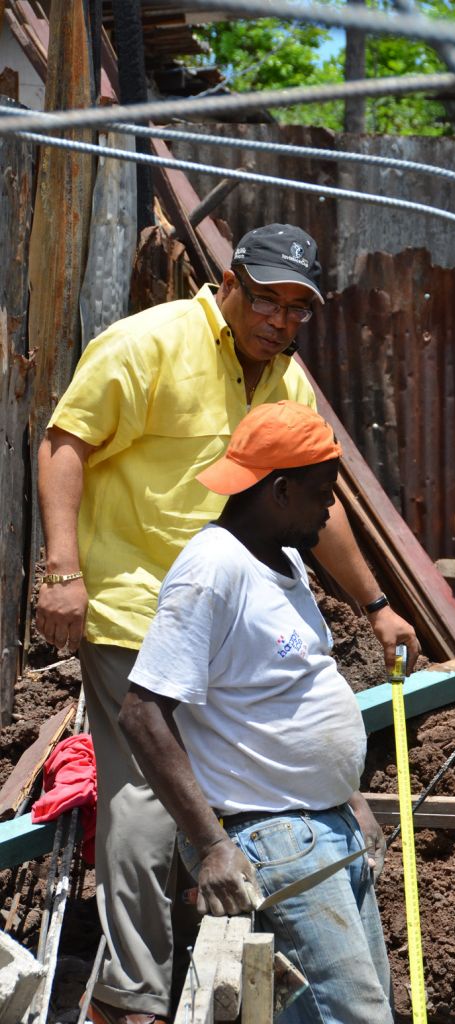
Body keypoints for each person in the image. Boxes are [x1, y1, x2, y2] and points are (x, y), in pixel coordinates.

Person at [35, 223, 418, 1024]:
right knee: (144, 795)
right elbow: (64, 442)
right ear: (231, 280)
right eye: (269, 300)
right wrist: (63, 572)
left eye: (297, 309)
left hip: (237, 617)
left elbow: (321, 499)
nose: (280, 321)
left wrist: (377, 605)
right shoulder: (149, 344)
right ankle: (133, 996)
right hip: (142, 602)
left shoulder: (286, 380)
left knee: (221, 791)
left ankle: (212, 942)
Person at [119, 400, 394, 1024]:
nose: (331, 509)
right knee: (355, 1016)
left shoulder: (284, 558)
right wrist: (211, 845)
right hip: (273, 836)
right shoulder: (212, 572)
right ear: (279, 489)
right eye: (322, 493)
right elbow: (142, 713)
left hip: (323, 826)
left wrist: (347, 796)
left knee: (354, 1004)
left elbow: (287, 690)